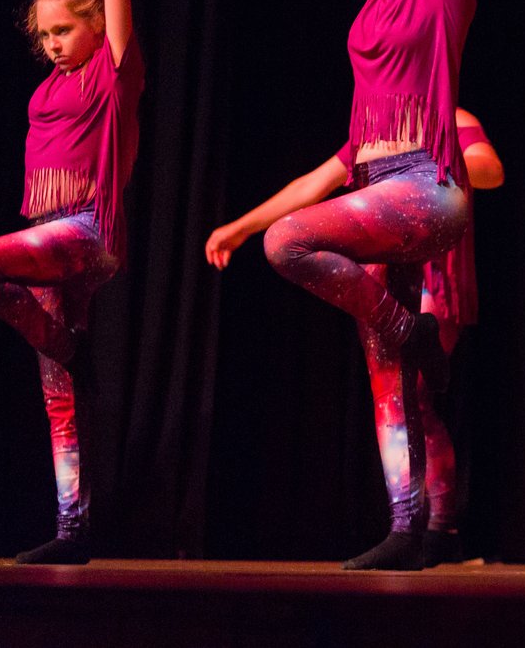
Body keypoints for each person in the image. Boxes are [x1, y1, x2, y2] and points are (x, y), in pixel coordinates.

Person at [204, 0, 477, 570]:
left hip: (426, 186)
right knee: (391, 377)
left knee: (291, 242)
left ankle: (410, 332)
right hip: (373, 189)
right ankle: (413, 528)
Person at [207, 108, 501, 568]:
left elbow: (489, 169)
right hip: (387, 276)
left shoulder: (447, 117)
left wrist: (434, 160)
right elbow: (311, 185)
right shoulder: (376, 130)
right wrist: (240, 228)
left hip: (437, 280)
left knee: (414, 394)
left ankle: (440, 527)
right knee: (402, 396)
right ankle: (426, 527)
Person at [0, 0, 143, 565]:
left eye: (65, 30)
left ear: (97, 27)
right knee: (59, 396)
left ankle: (67, 346)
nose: (54, 42)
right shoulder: (58, 77)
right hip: (47, 235)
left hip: (89, 231)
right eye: (46, 35)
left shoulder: (113, 73)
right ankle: (73, 530)